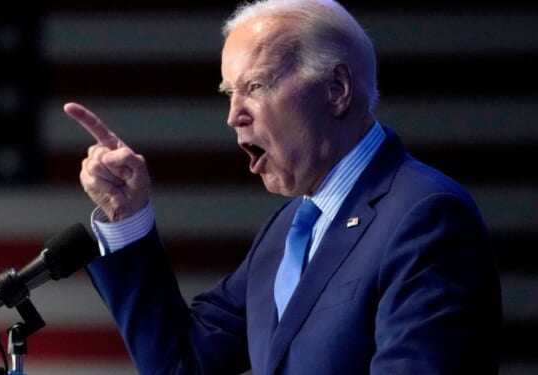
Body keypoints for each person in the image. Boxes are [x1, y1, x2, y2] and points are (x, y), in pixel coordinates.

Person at [63, 0, 502, 373]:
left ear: (337, 89)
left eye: (255, 86)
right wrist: (129, 216)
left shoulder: (426, 216)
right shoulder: (289, 229)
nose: (233, 115)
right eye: (228, 93)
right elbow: (182, 363)